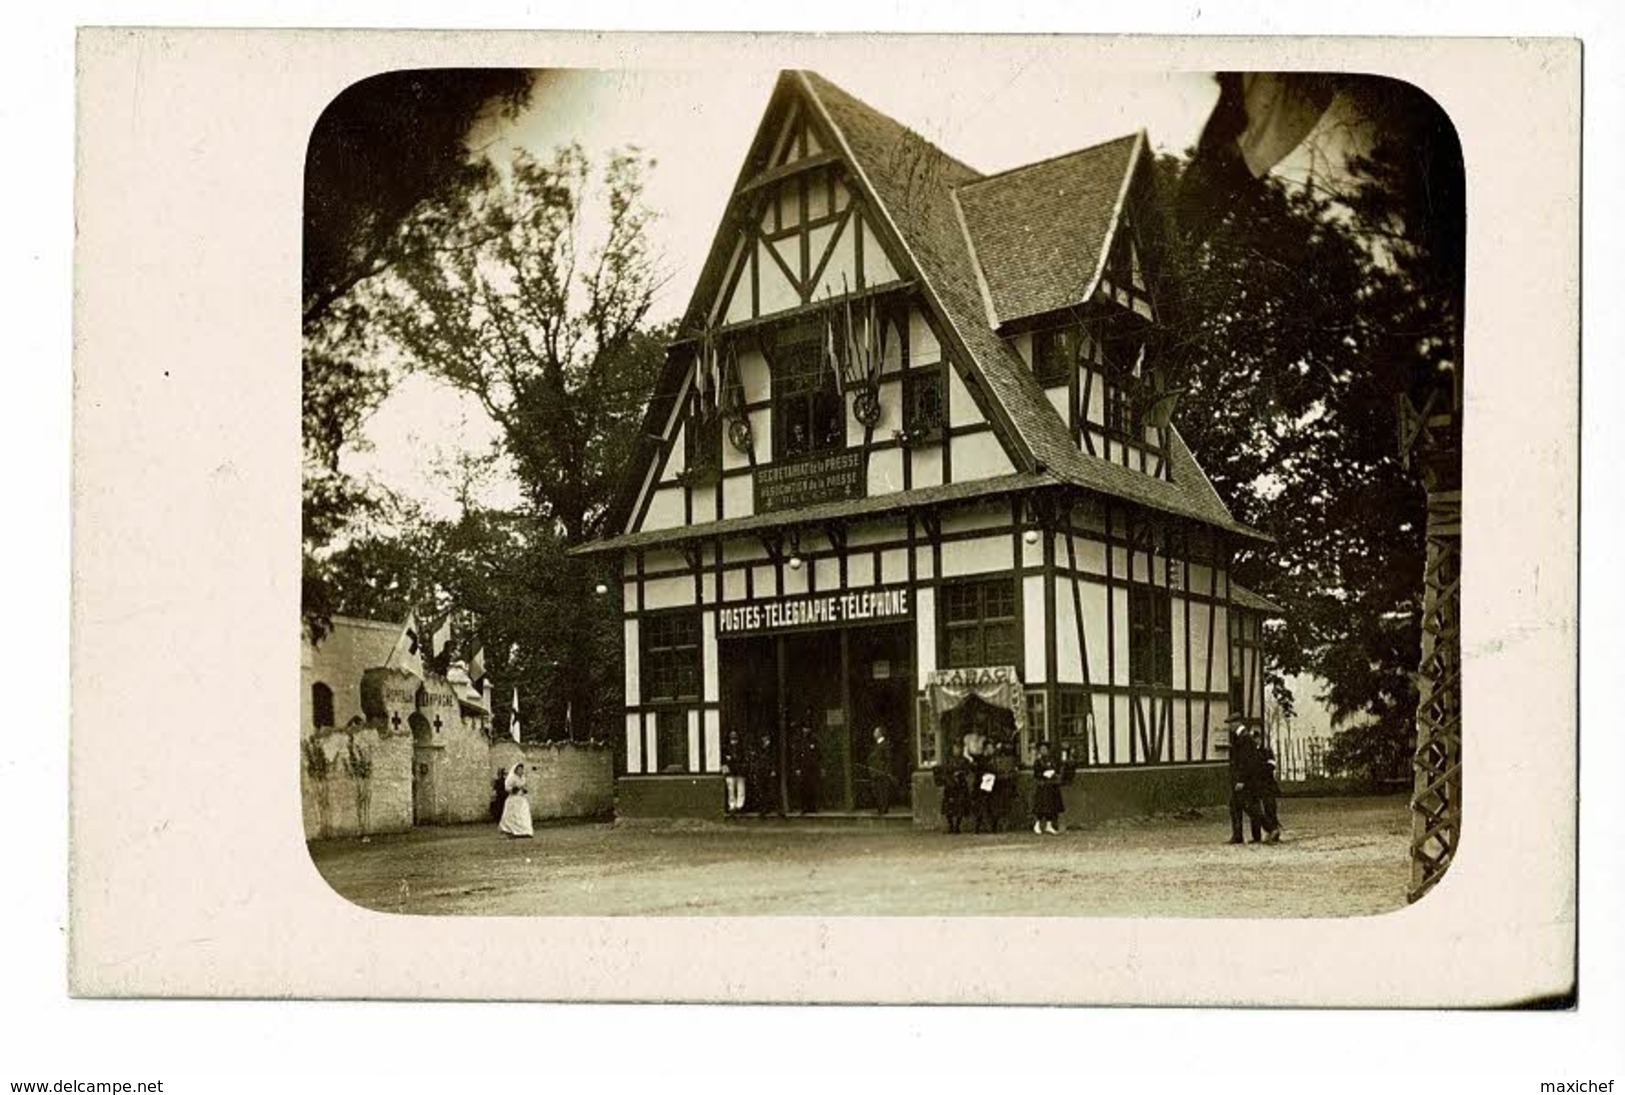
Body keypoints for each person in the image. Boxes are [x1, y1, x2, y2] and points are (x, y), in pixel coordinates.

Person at [1226, 715, 1260, 844]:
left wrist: (1241, 779)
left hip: (1244, 780)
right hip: (1243, 779)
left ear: (1236, 723)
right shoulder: (1241, 737)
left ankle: (1269, 828)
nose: (1229, 727)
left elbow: (1245, 761)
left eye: (1230, 724)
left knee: (1247, 807)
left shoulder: (1244, 738)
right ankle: (1238, 835)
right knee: (1237, 806)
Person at [1250, 728, 1284, 843]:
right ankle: (1256, 836)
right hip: (1256, 785)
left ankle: (1274, 833)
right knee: (1257, 810)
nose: (1255, 741)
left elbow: (1271, 766)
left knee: (1270, 808)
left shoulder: (1266, 751)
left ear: (1259, 739)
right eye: (1253, 738)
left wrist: (1260, 768)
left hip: (1267, 784)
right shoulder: (1250, 753)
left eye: (1256, 738)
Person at [936, 736, 973, 833]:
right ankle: (951, 825)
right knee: (949, 807)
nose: (956, 750)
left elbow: (967, 770)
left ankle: (957, 826)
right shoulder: (949, 760)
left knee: (960, 806)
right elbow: (944, 770)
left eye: (958, 748)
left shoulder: (964, 760)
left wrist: (960, 773)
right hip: (950, 785)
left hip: (960, 785)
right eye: (955, 748)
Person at [1031, 742, 1064, 835]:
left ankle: (1049, 825)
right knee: (1041, 806)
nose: (1043, 751)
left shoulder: (1052, 760)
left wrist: (1054, 774)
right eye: (1041, 749)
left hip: (1051, 785)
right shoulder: (1038, 761)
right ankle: (1037, 824)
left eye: (1045, 749)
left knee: (1052, 806)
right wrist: (1042, 775)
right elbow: (1036, 774)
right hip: (1042, 786)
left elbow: (1058, 769)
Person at [791, 720, 821, 814]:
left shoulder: (814, 739)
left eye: (808, 728)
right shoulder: (799, 740)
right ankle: (804, 808)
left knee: (812, 787)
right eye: (805, 728)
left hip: (812, 768)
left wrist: (819, 766)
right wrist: (797, 768)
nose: (806, 730)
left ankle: (813, 807)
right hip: (803, 767)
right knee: (803, 788)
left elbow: (818, 754)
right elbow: (796, 755)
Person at [748, 731, 781, 818]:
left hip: (769, 771)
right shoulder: (760, 749)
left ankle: (777, 809)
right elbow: (757, 760)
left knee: (772, 790)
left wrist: (773, 770)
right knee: (762, 791)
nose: (764, 739)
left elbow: (774, 759)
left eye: (766, 738)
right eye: (763, 738)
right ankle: (764, 809)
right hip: (761, 771)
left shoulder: (772, 749)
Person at [988, 739, 1018, 832]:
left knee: (1003, 806)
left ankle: (1001, 824)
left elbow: (1012, 773)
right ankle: (996, 824)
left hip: (1004, 785)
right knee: (998, 806)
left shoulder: (1008, 760)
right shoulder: (994, 760)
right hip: (997, 785)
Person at [498, 761, 534, 838]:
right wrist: (515, 788)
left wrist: (524, 790)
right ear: (516, 770)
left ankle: (524, 831)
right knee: (513, 815)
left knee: (523, 815)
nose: (521, 771)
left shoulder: (523, 778)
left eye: (522, 769)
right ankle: (511, 830)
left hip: (521, 799)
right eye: (519, 769)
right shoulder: (512, 778)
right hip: (513, 799)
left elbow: (525, 788)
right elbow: (507, 788)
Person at [867, 724, 895, 816]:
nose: (873, 734)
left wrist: (884, 771)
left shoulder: (885, 745)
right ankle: (880, 808)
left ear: (880, 733)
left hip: (881, 773)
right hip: (875, 772)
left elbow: (887, 759)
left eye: (875, 732)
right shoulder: (876, 745)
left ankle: (883, 809)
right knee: (877, 790)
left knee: (882, 791)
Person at [722, 728, 748, 816]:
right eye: (732, 736)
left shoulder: (741, 748)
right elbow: (724, 760)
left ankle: (740, 805)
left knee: (740, 789)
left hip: (739, 771)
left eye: (734, 736)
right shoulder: (726, 748)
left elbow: (743, 758)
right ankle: (732, 805)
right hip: (730, 771)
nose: (733, 737)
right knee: (731, 789)